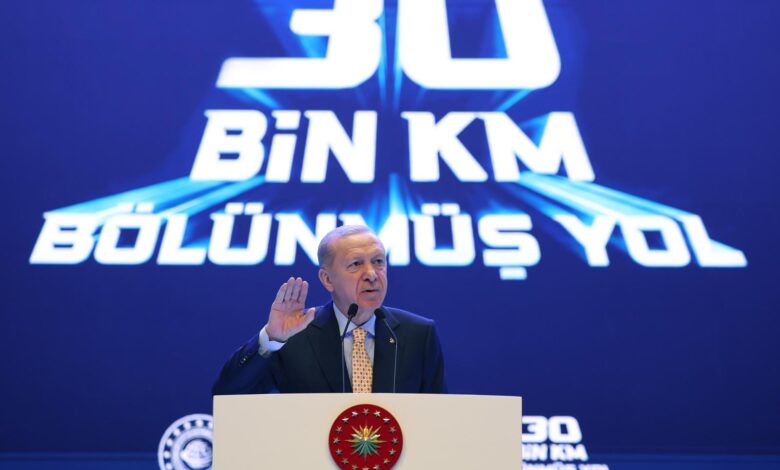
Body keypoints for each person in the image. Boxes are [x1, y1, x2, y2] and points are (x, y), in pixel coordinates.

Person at [212, 225, 447, 394]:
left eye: (378, 261)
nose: (372, 274)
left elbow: (438, 416)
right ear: (327, 279)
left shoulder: (418, 334)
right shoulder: (294, 334)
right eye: (356, 264)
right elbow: (227, 394)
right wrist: (271, 339)